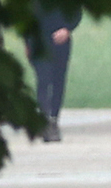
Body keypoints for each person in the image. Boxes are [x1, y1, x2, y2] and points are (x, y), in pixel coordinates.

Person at [25, 8, 80, 141]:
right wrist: (27, 41)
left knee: (58, 80)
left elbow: (77, 11)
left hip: (60, 41)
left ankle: (53, 120)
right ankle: (44, 121)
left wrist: (67, 29)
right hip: (38, 41)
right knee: (43, 80)